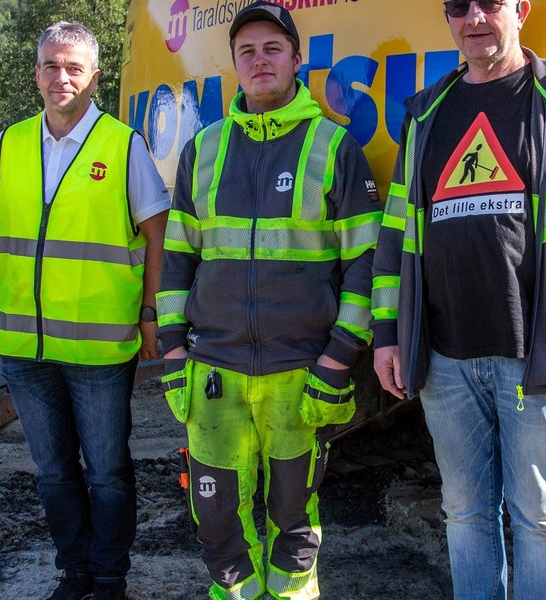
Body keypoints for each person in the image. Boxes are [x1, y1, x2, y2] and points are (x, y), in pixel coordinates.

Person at [371, 0, 546, 598]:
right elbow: (396, 235)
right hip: (446, 359)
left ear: (522, 9)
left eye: (490, 2)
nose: (474, 17)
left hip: (536, 351)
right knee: (464, 513)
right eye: (458, 6)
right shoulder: (427, 113)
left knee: (540, 517)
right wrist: (387, 332)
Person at [157, 2, 381, 597]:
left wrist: (338, 359)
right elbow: (177, 260)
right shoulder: (203, 149)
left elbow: (367, 264)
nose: (260, 61)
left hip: (299, 374)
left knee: (294, 521)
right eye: (248, 51)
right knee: (217, 523)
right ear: (234, 64)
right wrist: (173, 355)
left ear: (297, 60)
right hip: (215, 373)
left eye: (273, 49)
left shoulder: (334, 147)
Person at [0, 21, 169, 600]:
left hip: (99, 346)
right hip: (26, 346)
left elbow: (156, 235)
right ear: (36, 73)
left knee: (107, 471)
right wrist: (2, 297)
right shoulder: (9, 143)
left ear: (95, 77)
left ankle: (109, 578)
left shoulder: (123, 145)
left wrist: (149, 315)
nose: (60, 77)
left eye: (73, 67)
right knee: (53, 471)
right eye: (50, 66)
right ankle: (74, 572)